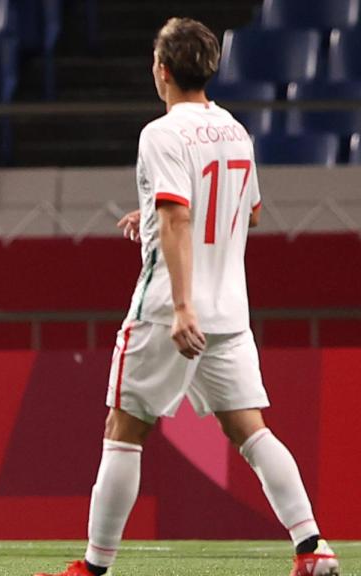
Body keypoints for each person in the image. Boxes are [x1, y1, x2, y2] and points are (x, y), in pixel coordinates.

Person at [36, 18, 339, 576]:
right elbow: (245, 211)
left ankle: (93, 567)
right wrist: (152, 216)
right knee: (250, 428)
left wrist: (180, 306)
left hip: (170, 310)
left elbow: (178, 215)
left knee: (123, 429)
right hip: (230, 309)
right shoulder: (235, 130)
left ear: (162, 70)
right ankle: (312, 546)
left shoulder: (162, 133)